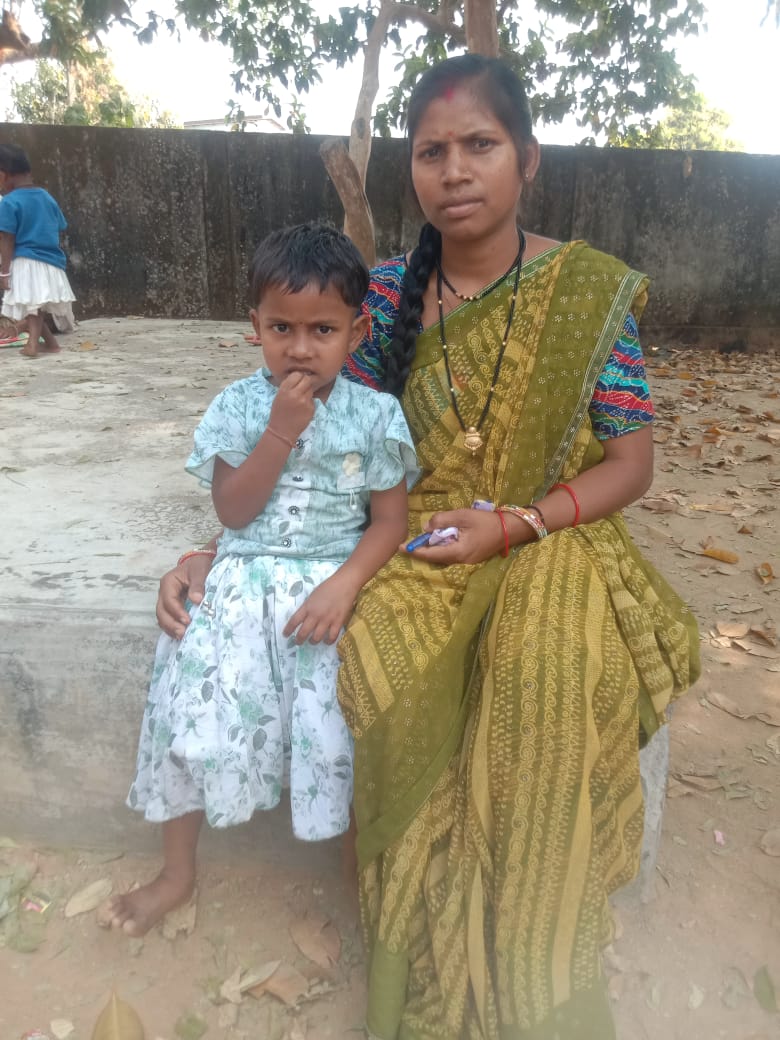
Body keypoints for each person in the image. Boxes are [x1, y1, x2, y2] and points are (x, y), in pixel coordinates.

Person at [156, 56, 700, 1040]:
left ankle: (532, 963)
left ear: (527, 158)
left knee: (544, 669)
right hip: (415, 540)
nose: (454, 170)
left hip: (551, 533)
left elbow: (632, 464)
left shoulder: (586, 292)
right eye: (431, 151)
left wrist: (519, 522)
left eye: (479, 145)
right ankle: (418, 946)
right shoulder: (381, 295)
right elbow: (313, 442)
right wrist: (217, 550)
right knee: (374, 660)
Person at [107, 222, 418, 938]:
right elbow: (233, 511)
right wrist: (280, 430)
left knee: (345, 732)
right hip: (242, 579)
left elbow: (389, 523)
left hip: (335, 587)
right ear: (255, 326)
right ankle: (177, 873)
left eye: (322, 329)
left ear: (357, 331)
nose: (300, 348)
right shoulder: (239, 406)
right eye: (282, 328)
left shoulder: (376, 415)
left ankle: (355, 879)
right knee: (189, 711)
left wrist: (345, 585)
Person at [0, 143, 76, 357]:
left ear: (3, 175)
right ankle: (51, 344)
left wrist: (4, 271)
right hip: (51, 261)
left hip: (26, 261)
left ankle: (32, 345)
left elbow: (6, 238)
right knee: (34, 306)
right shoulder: (46, 197)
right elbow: (59, 225)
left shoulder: (9, 202)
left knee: (32, 306)